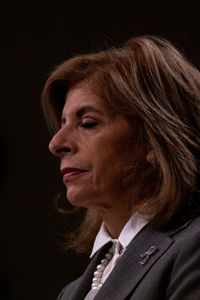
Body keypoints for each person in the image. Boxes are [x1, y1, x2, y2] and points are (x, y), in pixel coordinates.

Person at [42, 35, 200, 300]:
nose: (56, 144)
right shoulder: (70, 294)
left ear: (154, 140)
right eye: (62, 124)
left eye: (88, 123)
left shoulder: (192, 250)